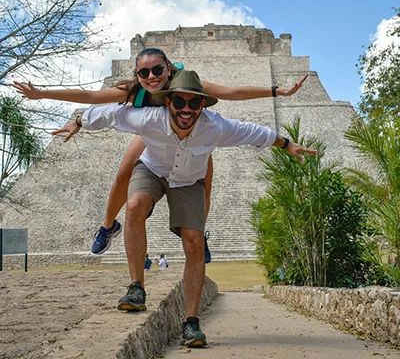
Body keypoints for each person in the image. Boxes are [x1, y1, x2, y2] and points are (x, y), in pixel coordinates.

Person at [53, 69, 317, 347]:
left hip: (188, 180)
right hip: (153, 169)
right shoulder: (148, 118)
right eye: (179, 102)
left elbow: (254, 132)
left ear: (203, 104)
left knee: (194, 243)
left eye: (194, 103)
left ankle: (191, 323)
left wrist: (287, 144)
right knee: (134, 205)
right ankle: (136, 288)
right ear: (168, 103)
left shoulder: (215, 127)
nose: (186, 109)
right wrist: (79, 121)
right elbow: (110, 114)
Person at [13, 48, 308, 259]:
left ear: (168, 68)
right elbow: (91, 98)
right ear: (137, 75)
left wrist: (275, 91)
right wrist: (44, 95)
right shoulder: (134, 93)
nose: (152, 77)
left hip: (191, 135)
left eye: (157, 70)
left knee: (203, 183)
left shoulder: (188, 86)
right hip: (151, 131)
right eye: (144, 72)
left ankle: (199, 235)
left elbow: (230, 92)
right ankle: (107, 226)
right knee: (124, 174)